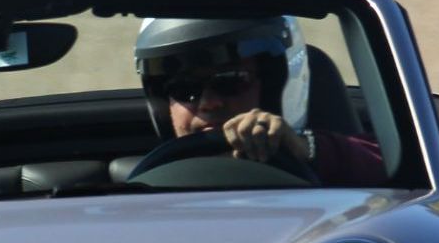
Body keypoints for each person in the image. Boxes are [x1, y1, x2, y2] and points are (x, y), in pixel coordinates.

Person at [134, 17, 387, 186]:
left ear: (272, 86)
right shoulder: (142, 193)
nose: (208, 103)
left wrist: (307, 150)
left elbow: (400, 166)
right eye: (183, 89)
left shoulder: (334, 162)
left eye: (230, 81)